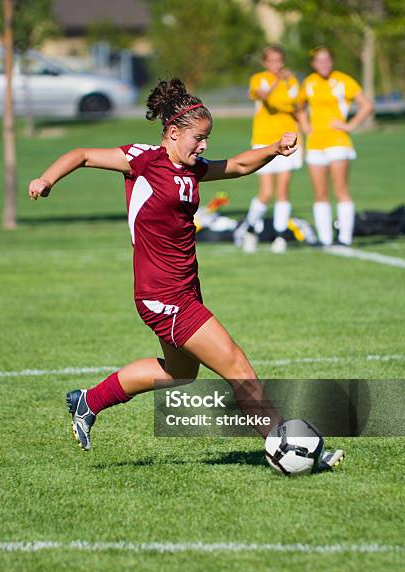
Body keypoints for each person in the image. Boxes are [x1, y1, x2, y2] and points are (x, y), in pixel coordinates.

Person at [28, 78, 343, 471]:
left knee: (177, 373)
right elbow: (82, 154)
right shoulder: (144, 159)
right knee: (238, 368)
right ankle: (289, 447)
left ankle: (87, 402)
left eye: (206, 138)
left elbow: (241, 165)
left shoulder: (191, 170)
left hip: (183, 291)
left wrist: (275, 150)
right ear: (173, 133)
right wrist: (46, 179)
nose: (204, 146)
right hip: (164, 297)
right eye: (198, 138)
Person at [296, 46, 374, 246]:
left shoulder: (343, 80)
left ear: (332, 61)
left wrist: (349, 125)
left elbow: (367, 105)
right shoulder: (309, 82)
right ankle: (325, 240)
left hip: (338, 142)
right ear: (313, 64)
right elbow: (299, 108)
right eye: (319, 61)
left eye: (327, 60)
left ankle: (345, 239)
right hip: (315, 143)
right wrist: (305, 127)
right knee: (320, 193)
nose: (323, 64)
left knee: (341, 189)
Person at [237, 46, 303, 254]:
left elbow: (298, 108)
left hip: (287, 140)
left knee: (283, 191)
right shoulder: (259, 79)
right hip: (264, 140)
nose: (277, 65)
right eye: (272, 61)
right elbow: (263, 97)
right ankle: (249, 229)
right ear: (266, 63)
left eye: (279, 60)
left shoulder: (292, 81)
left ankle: (280, 235)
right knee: (266, 192)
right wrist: (277, 80)